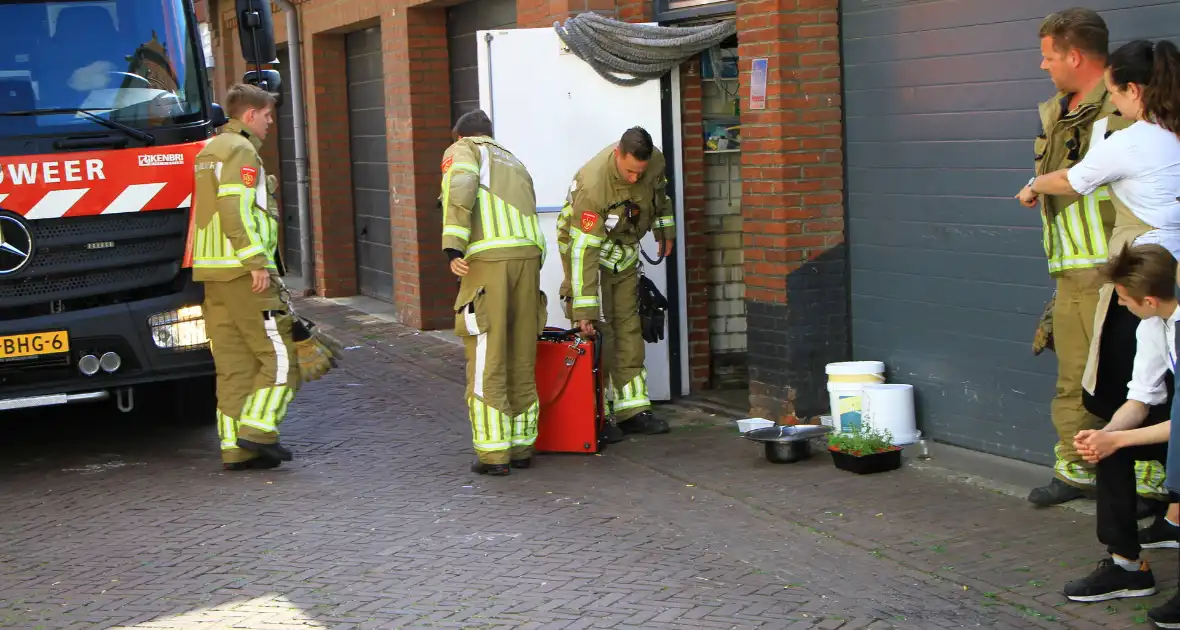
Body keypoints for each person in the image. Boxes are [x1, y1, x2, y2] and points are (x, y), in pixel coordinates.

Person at [1021, 34, 1180, 530]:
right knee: (1168, 387)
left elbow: (1072, 180)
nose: (1111, 101)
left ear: (1133, 89)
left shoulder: (1133, 140)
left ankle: (1132, 514)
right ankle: (1171, 510)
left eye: (1114, 93)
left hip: (1146, 272)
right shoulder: (1173, 133)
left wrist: (1031, 186)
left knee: (1118, 392)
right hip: (1170, 270)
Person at [190, 83, 298, 470]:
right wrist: (256, 262)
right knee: (281, 356)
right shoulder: (241, 149)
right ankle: (259, 432)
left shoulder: (209, 150)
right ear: (250, 114)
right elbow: (234, 208)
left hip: (213, 273)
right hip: (241, 272)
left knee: (234, 365)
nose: (271, 123)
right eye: (268, 115)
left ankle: (236, 449)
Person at [1062, 244, 1176, 604]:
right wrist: (1106, 437)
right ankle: (1127, 568)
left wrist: (1119, 439)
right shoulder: (1153, 326)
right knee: (1111, 451)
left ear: (1152, 300)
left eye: (1125, 299)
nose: (1121, 305)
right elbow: (1141, 399)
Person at [441, 109, 546, 476]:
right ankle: (521, 446)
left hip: (490, 263)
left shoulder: (466, 150)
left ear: (459, 135)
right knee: (521, 354)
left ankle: (493, 454)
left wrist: (453, 244)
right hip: (529, 262)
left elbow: (460, 185)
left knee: (488, 354)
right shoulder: (513, 160)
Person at [556, 127, 676, 437]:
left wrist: (665, 230)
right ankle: (597, 414)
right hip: (585, 249)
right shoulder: (594, 185)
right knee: (596, 329)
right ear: (617, 155)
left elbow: (659, 198)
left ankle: (632, 410)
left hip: (622, 249)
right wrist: (583, 309)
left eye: (641, 172)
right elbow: (584, 251)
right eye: (629, 172)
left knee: (628, 326)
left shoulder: (654, 163)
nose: (635, 179)